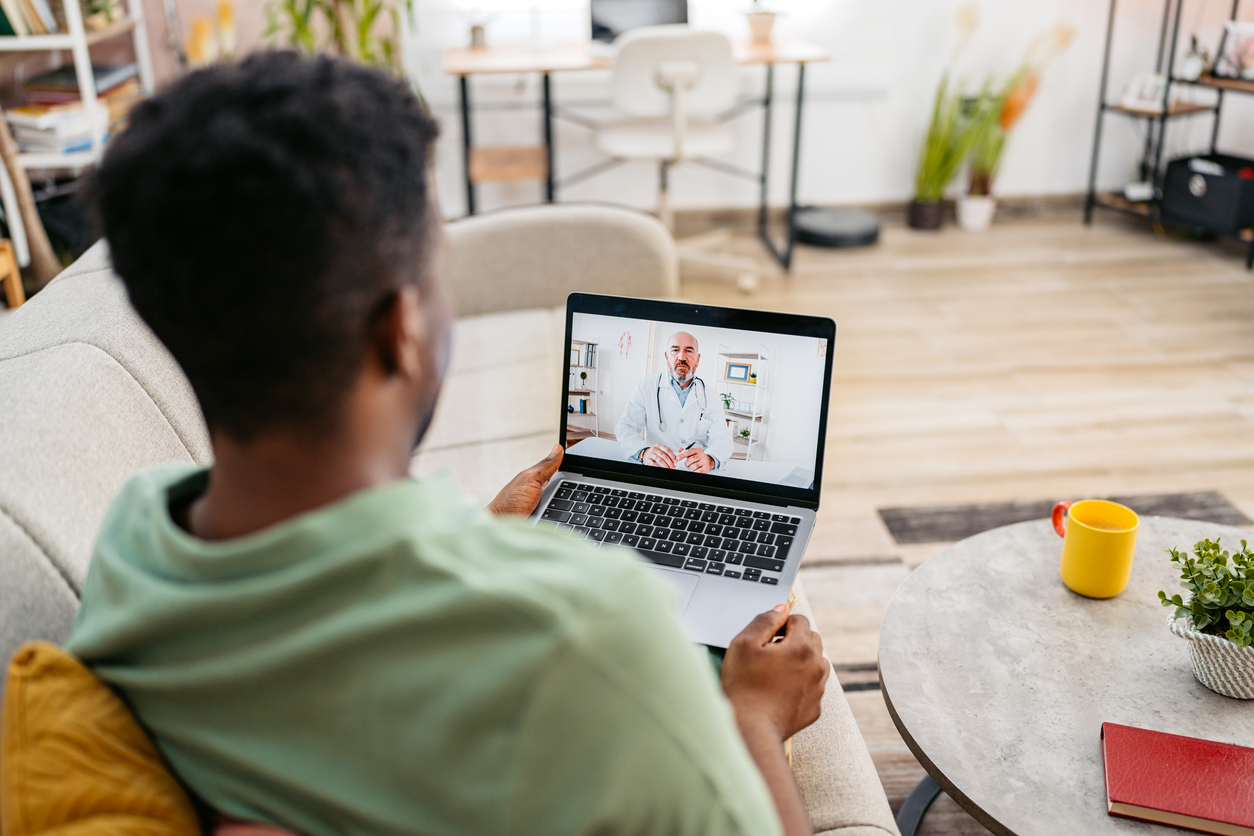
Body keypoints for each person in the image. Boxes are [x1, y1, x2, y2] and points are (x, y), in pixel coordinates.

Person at [66, 52, 829, 836]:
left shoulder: (131, 547)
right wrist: (754, 722)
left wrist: (486, 537)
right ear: (402, 331)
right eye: (442, 269)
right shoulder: (590, 630)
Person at [616, 330, 733, 473]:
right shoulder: (646, 387)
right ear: (666, 356)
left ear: (697, 358)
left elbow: (723, 438)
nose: (681, 357)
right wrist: (644, 452)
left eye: (689, 351)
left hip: (696, 473)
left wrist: (710, 459)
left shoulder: (711, 396)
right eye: (675, 350)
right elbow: (625, 427)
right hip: (656, 468)